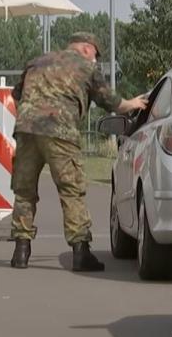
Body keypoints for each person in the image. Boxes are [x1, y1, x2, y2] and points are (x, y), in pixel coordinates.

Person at [9, 32, 147, 271]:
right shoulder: (85, 67)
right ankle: (81, 252)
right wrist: (133, 104)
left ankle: (21, 251)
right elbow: (111, 101)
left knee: (24, 192)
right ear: (86, 48)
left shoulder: (37, 61)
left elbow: (16, 94)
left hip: (27, 130)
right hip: (60, 132)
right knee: (71, 191)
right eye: (95, 54)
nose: (95, 59)